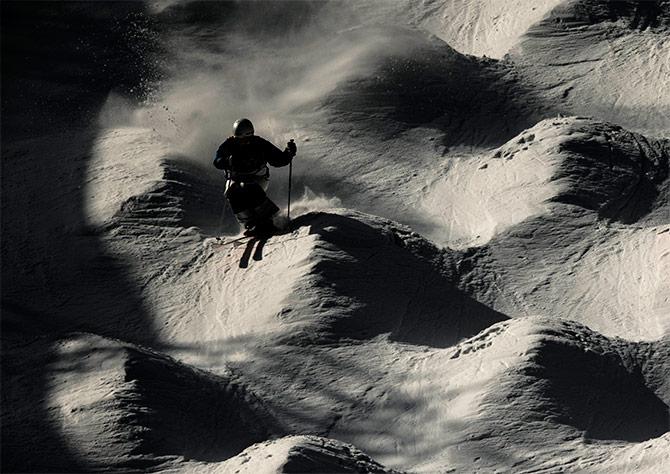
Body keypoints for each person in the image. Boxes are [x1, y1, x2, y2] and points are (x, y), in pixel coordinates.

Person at [214, 118, 296, 237]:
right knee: (232, 191)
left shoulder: (259, 144)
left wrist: (288, 153)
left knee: (248, 187)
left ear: (251, 135)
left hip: (258, 178)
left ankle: (269, 219)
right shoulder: (229, 145)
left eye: (246, 139)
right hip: (236, 179)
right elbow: (217, 161)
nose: (243, 142)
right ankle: (250, 222)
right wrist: (226, 161)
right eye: (240, 139)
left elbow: (279, 160)